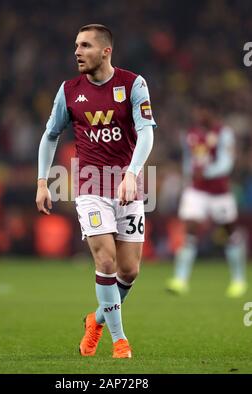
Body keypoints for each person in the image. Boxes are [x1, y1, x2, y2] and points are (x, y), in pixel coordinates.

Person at [36, 24, 156, 358]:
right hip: (90, 188)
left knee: (129, 270)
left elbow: (146, 132)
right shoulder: (69, 90)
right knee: (105, 260)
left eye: (85, 46)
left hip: (127, 188)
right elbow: (50, 135)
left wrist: (132, 174)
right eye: (76, 45)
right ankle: (120, 341)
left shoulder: (133, 84)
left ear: (106, 51)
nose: (77, 51)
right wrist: (43, 182)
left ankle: (97, 319)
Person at [166, 98, 247, 298]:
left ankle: (238, 280)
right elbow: (188, 160)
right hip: (196, 191)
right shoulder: (191, 134)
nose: (198, 116)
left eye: (202, 111)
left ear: (212, 112)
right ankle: (180, 280)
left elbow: (226, 163)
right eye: (197, 111)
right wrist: (189, 176)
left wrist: (206, 172)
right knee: (190, 230)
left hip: (219, 193)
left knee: (229, 232)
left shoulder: (223, 133)